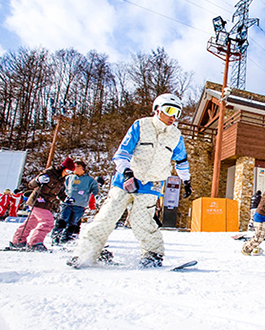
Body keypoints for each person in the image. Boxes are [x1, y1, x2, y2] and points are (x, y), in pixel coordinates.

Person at [68, 93, 192, 268]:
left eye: (177, 113)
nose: (173, 117)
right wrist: (126, 173)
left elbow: (181, 161)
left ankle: (152, 254)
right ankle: (85, 253)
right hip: (126, 180)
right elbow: (122, 153)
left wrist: (186, 181)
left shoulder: (176, 136)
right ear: (157, 110)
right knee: (108, 216)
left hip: (153, 183)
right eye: (169, 110)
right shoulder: (141, 126)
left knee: (141, 220)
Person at [7, 157, 75, 251]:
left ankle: (18, 240)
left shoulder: (61, 178)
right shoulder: (49, 173)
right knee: (48, 222)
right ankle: (35, 243)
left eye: (71, 172)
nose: (69, 174)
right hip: (37, 201)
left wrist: (66, 199)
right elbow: (31, 184)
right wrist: (39, 180)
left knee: (31, 222)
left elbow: (59, 191)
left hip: (46, 203)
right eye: (68, 171)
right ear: (63, 167)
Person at [50, 160, 99, 245]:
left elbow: (95, 190)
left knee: (73, 223)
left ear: (82, 168)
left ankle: (66, 238)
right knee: (62, 219)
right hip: (67, 203)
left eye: (76, 166)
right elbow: (63, 188)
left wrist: (93, 197)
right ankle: (56, 236)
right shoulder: (69, 177)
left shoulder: (90, 180)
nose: (74, 168)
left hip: (80, 205)